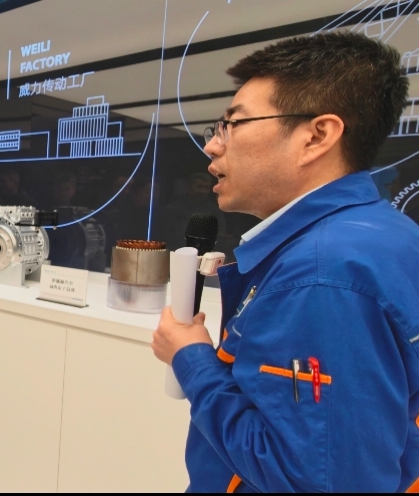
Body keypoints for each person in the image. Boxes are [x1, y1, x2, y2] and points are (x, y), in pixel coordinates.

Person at [151, 31, 419, 492]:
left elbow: (314, 479)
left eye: (234, 123)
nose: (213, 146)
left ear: (317, 136)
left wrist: (191, 359)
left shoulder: (321, 275)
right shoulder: (385, 236)